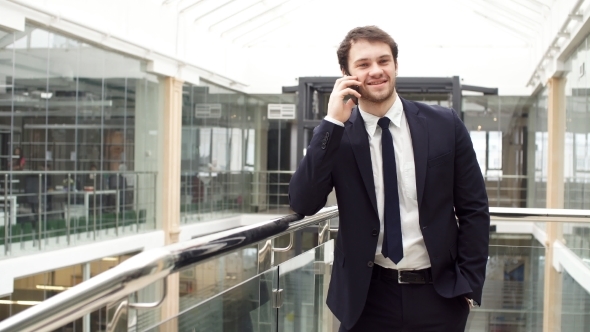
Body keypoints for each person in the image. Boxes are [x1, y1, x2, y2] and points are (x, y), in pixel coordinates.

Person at [288, 26, 490, 331]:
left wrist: (469, 287)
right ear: (345, 73)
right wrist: (331, 122)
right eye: (363, 64)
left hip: (440, 295)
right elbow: (303, 202)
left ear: (395, 65)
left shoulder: (444, 125)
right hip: (366, 298)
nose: (376, 71)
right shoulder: (336, 135)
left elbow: (474, 209)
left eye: (384, 61)